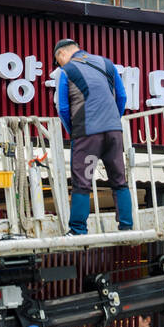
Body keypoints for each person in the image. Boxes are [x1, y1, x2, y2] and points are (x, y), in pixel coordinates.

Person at [53, 39, 133, 235]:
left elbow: (62, 108)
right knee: (119, 179)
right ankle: (126, 226)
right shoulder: (107, 64)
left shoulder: (67, 71)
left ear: (62, 54)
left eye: (58, 60)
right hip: (114, 132)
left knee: (82, 181)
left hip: (87, 134)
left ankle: (78, 229)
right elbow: (121, 96)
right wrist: (114, 119)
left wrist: (74, 131)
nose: (59, 64)